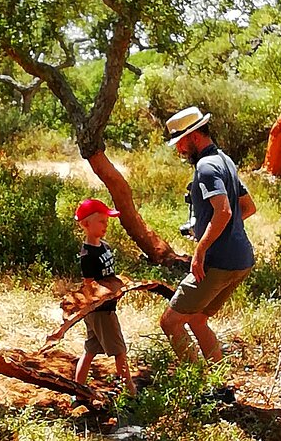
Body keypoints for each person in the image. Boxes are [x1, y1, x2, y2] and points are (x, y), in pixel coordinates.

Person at [160, 106, 256, 364]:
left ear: (193, 136)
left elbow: (223, 212)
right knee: (197, 319)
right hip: (241, 259)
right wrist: (212, 230)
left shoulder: (205, 167)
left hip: (218, 262)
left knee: (170, 322)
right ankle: (216, 384)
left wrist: (201, 249)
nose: (179, 150)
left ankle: (199, 385)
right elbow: (247, 207)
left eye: (180, 143)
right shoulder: (225, 161)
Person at [73, 199, 137, 398]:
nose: (105, 226)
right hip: (101, 310)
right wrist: (103, 297)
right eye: (101, 221)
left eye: (106, 222)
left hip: (105, 307)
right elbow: (89, 286)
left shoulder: (104, 246)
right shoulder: (87, 255)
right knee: (119, 351)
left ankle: (78, 390)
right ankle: (131, 393)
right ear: (86, 224)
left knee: (91, 349)